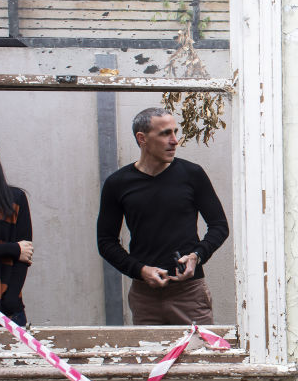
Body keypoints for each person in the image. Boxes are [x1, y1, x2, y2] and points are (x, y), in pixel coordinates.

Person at [97, 107, 229, 325]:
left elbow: (219, 226)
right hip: (145, 296)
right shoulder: (117, 183)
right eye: (165, 133)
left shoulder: (191, 174)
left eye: (175, 132)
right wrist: (140, 270)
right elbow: (105, 242)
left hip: (190, 294)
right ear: (142, 138)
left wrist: (197, 256)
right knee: (151, 358)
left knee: (201, 357)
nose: (175, 140)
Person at [0, 132, 33, 326]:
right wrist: (12, 249)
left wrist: (11, 300)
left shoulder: (15, 198)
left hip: (8, 306)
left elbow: (25, 253)